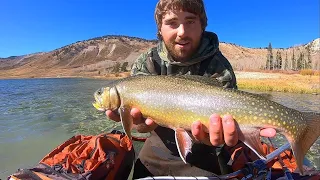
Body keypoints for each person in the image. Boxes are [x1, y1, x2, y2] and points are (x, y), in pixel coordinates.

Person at [106, 0, 276, 178]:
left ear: (202, 25)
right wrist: (138, 123)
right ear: (159, 28)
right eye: (172, 23)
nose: (182, 32)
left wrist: (214, 140)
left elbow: (227, 130)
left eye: (190, 22)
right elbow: (141, 127)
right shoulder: (147, 62)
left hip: (207, 150)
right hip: (157, 146)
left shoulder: (219, 66)